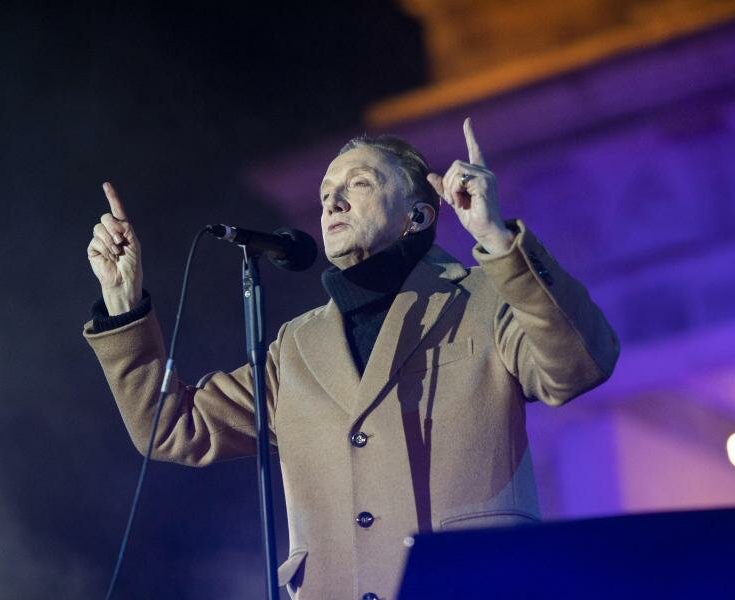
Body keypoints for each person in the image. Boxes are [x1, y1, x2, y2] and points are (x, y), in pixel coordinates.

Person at [84, 118, 620, 599]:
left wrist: (498, 241)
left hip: (474, 584)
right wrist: (122, 306)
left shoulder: (484, 299)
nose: (332, 203)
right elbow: (173, 428)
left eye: (358, 184)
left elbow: (578, 365)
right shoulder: (296, 347)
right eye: (325, 194)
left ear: (417, 215)